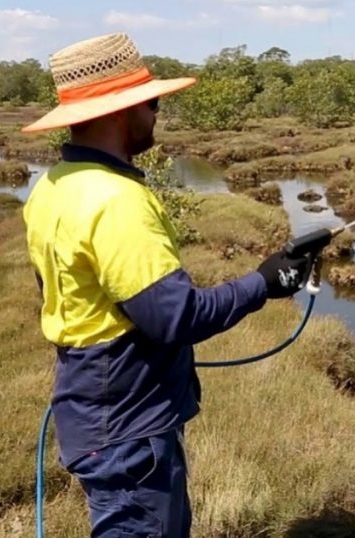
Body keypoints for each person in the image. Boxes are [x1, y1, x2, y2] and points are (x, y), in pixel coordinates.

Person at [21, 33, 311, 537]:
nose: (157, 113)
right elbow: (177, 318)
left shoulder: (53, 185)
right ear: (119, 111)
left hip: (93, 410)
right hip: (127, 428)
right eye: (151, 102)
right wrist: (264, 283)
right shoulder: (115, 200)